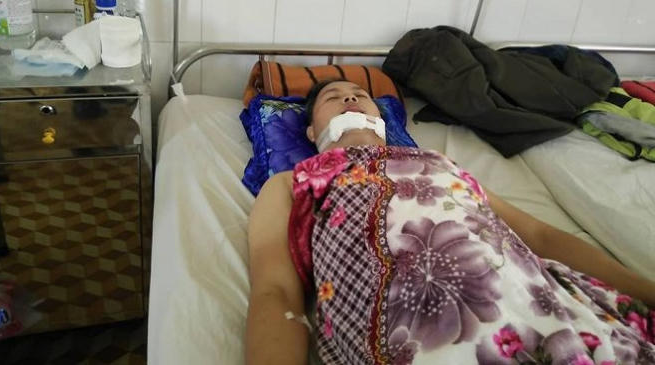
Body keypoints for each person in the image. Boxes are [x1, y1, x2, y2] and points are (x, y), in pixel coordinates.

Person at [246, 80, 655, 365]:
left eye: (360, 95)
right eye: (333, 98)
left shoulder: (440, 162)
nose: (350, 99)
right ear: (312, 130)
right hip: (418, 330)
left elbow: (538, 235)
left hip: (530, 298)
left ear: (380, 117)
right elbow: (275, 293)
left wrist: (647, 291)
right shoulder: (292, 183)